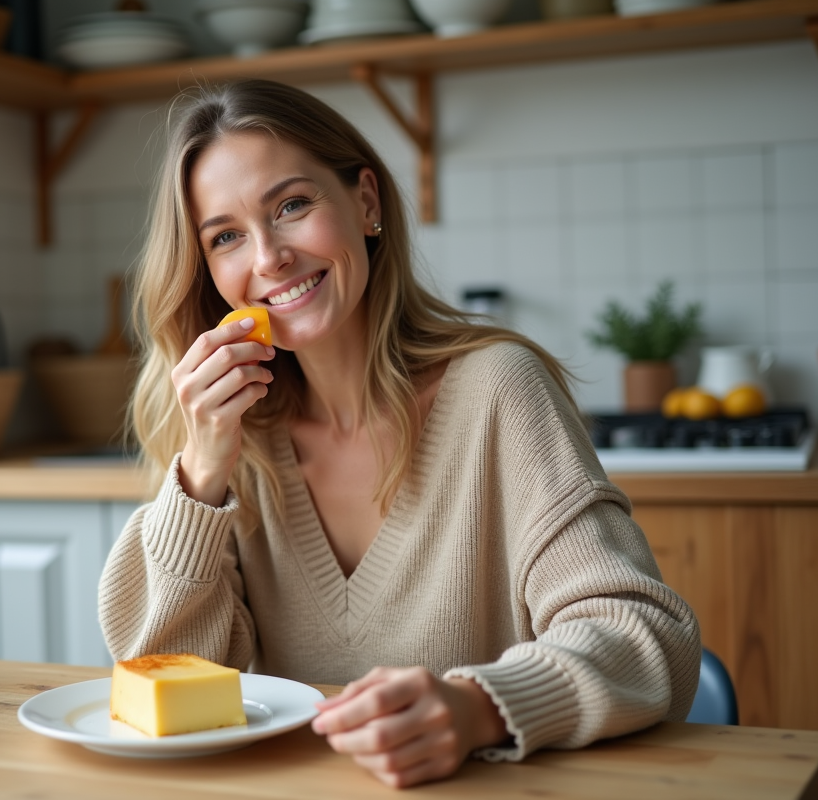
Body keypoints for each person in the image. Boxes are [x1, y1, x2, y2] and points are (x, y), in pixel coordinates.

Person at [98, 79, 700, 789]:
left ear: (366, 202)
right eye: (226, 236)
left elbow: (647, 637)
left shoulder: (498, 390)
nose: (268, 258)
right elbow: (160, 692)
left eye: (292, 206)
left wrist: (480, 709)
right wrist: (199, 475)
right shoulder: (236, 444)